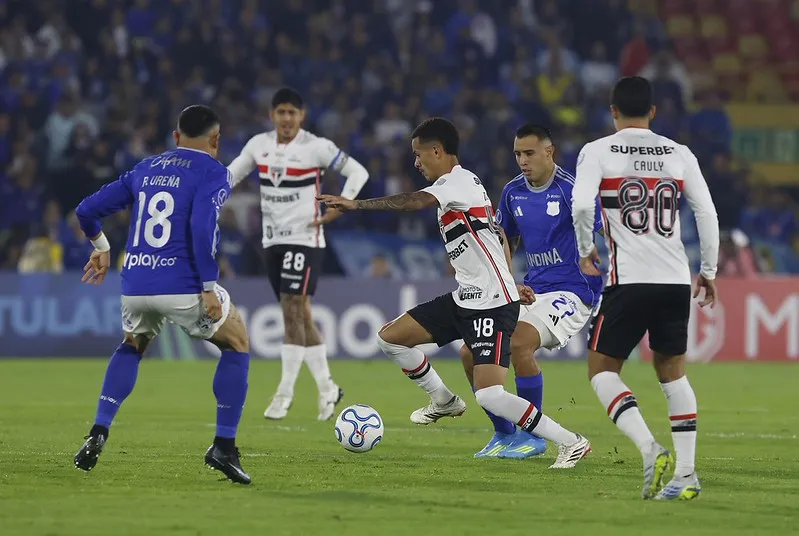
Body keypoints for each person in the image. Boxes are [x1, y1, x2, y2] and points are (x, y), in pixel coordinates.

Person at [319, 117, 591, 469]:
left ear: (437, 151)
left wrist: (357, 205)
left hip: (492, 305)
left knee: (491, 393)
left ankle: (571, 442)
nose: (415, 163)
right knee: (391, 338)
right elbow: (496, 238)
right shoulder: (461, 186)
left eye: (419, 155)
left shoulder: (456, 183)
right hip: (468, 296)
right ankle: (445, 401)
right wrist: (511, 280)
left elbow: (413, 201)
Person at [73, 105, 252, 485]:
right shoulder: (212, 171)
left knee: (132, 345)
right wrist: (207, 286)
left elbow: (87, 210)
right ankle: (224, 446)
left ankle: (98, 431)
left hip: (135, 282)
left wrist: (101, 247)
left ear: (175, 137)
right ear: (216, 140)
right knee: (237, 342)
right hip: (183, 283)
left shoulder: (145, 167)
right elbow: (202, 226)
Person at [572, 76, 720, 500]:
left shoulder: (597, 151)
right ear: (653, 112)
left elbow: (582, 204)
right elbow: (706, 212)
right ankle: (687, 474)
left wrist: (586, 249)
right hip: (675, 280)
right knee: (672, 372)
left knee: (602, 370)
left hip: (629, 279)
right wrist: (708, 269)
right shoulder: (679, 153)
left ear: (612, 110)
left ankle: (649, 447)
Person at [459, 124, 604, 459]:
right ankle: (504, 434)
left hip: (573, 291)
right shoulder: (512, 193)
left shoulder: (572, 191)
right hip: (532, 289)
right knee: (470, 352)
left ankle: (533, 436)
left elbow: (600, 235)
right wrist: (507, 285)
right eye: (517, 154)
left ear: (549, 152)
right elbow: (503, 242)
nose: (522, 161)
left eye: (529, 153)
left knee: (521, 343)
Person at [227, 88, 370, 421]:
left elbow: (358, 173)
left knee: (292, 308)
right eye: (281, 112)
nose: (287, 119)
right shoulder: (258, 146)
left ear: (302, 116)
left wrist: (340, 205)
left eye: (293, 112)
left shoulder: (316, 147)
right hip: (272, 241)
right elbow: (231, 176)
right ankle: (328, 388)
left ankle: (284, 393)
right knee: (300, 314)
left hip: (305, 238)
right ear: (271, 115)